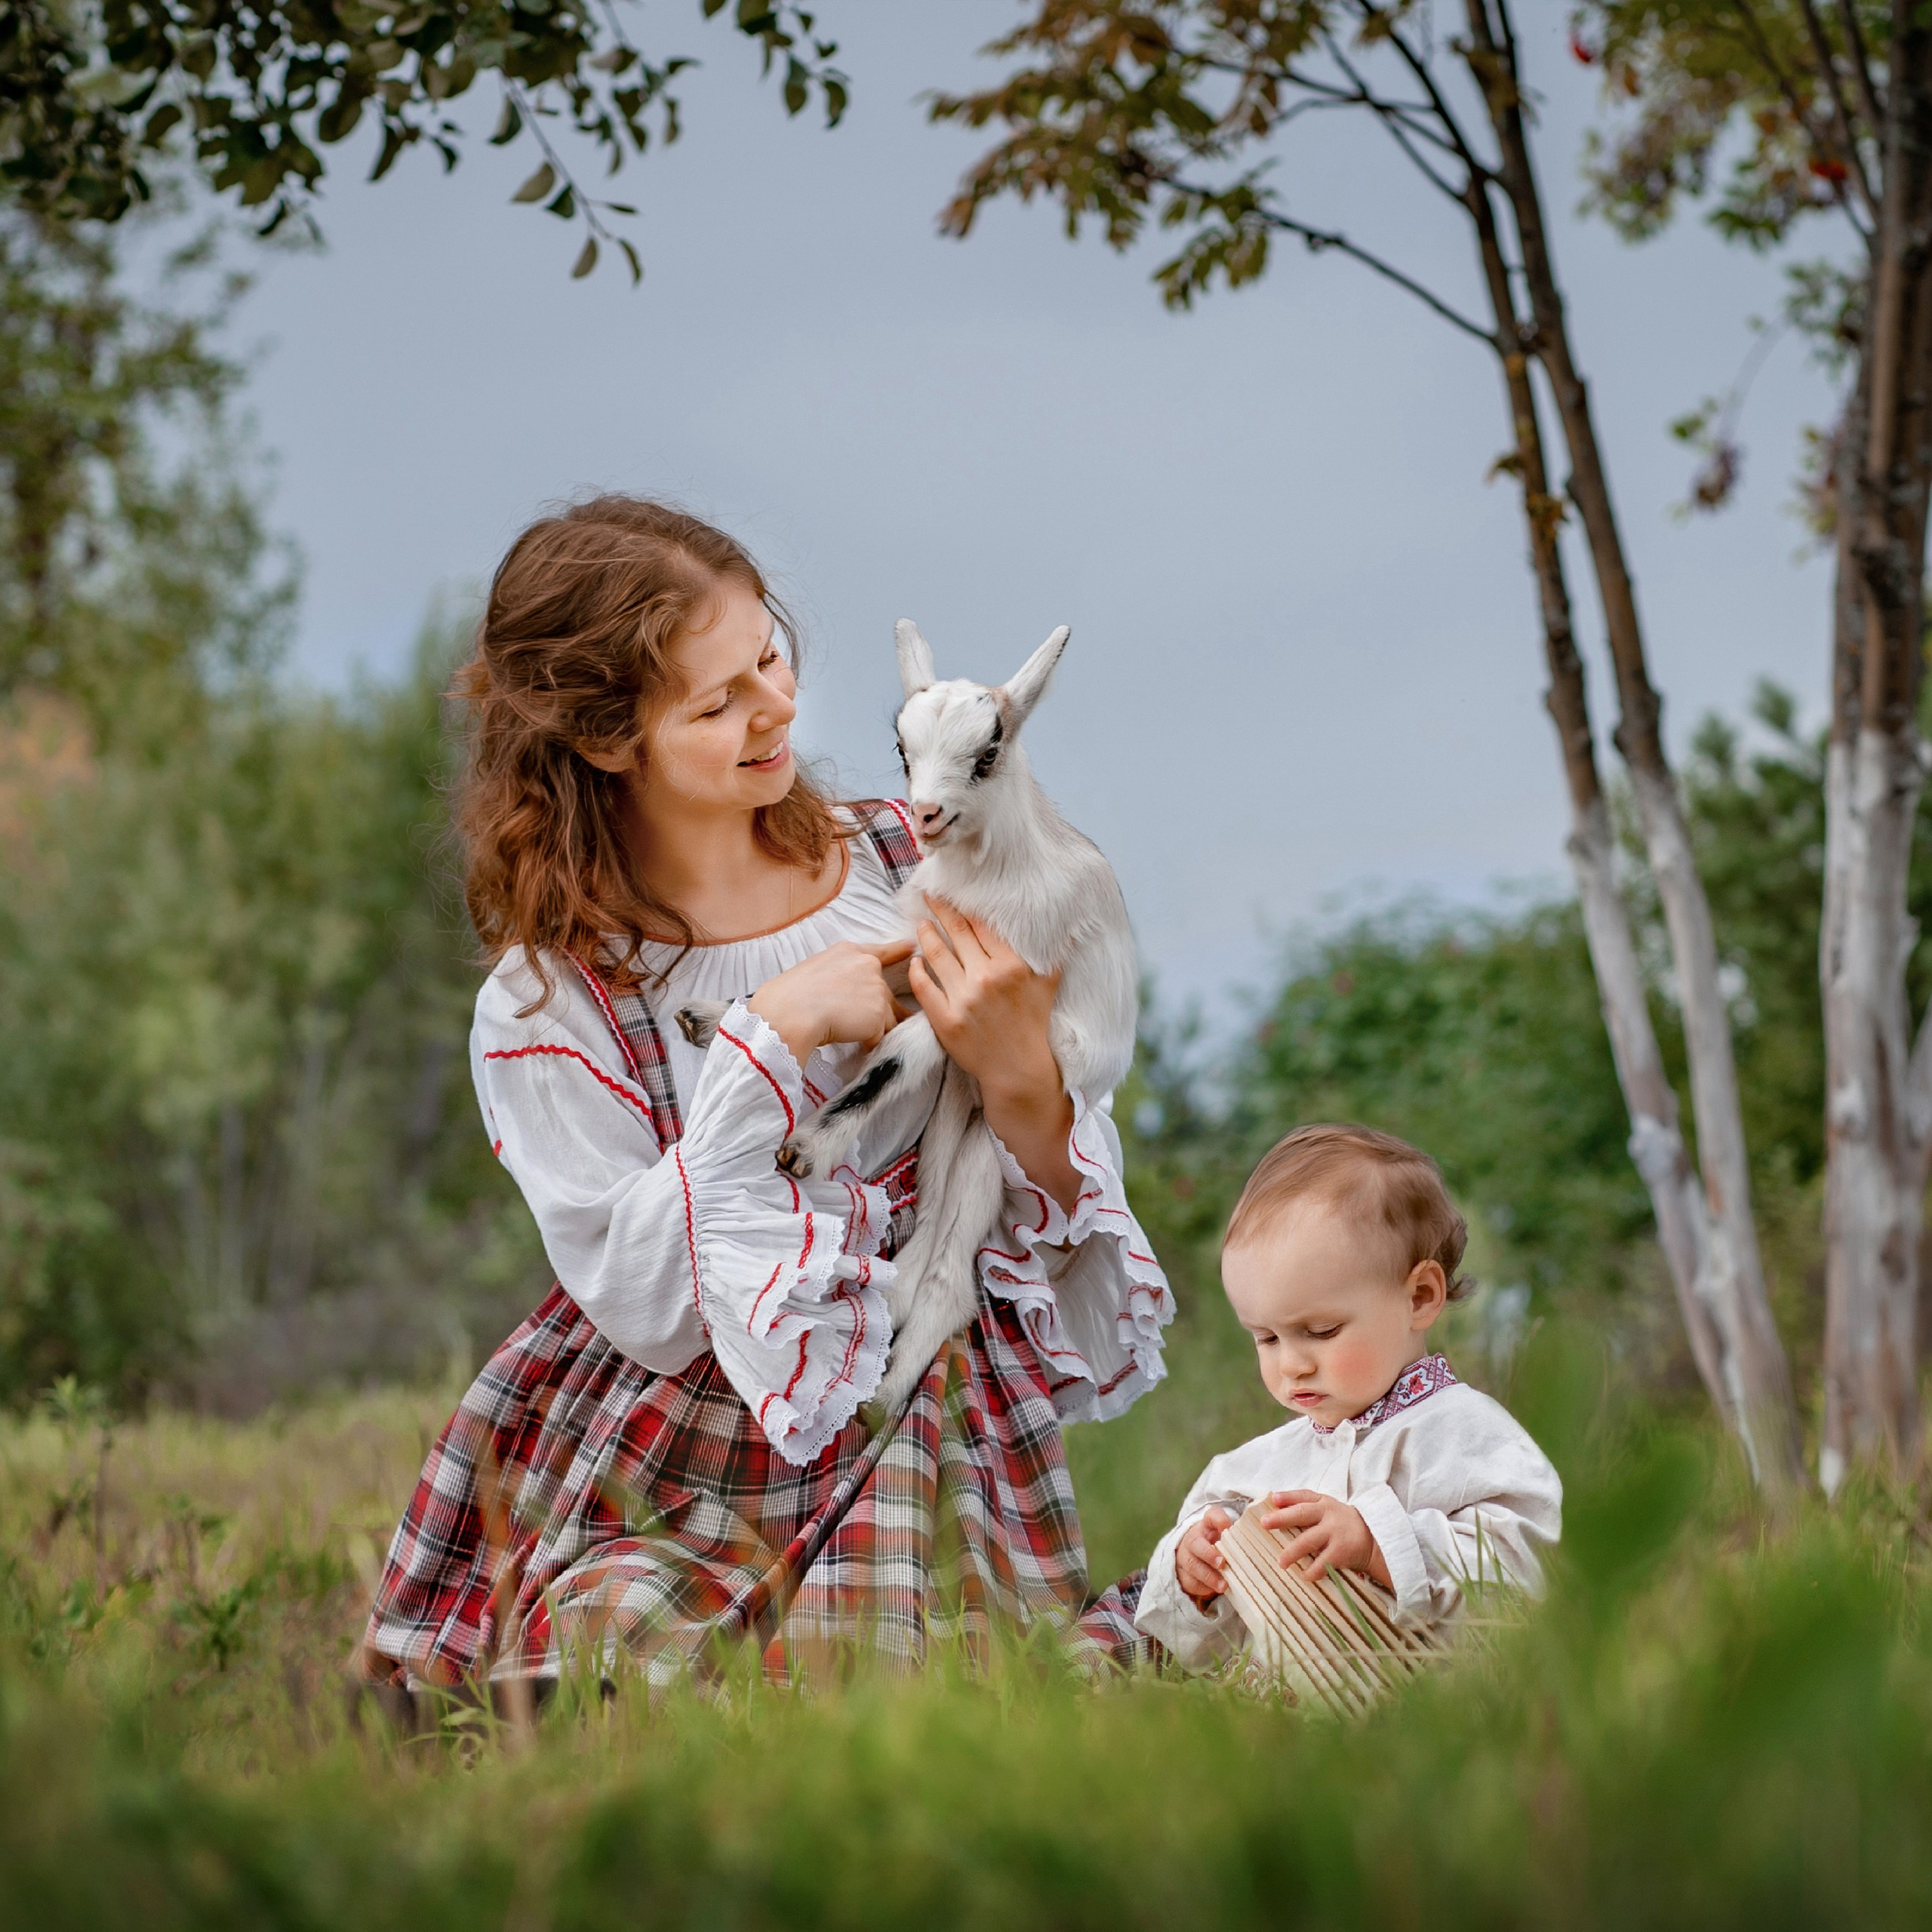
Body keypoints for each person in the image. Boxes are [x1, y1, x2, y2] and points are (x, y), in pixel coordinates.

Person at [361, 496, 1173, 1693]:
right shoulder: (557, 1003)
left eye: (769, 659)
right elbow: (644, 1300)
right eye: (716, 702)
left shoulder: (920, 862)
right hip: (677, 1446)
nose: (776, 708)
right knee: (626, 1664)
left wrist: (1022, 1080)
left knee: (908, 1696)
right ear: (603, 741)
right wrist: (767, 1041)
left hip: (915, 1406)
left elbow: (1049, 1219)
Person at [1134, 1124, 1560, 1672]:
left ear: (1420, 1297)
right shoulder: (1255, 1468)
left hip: (1431, 1712)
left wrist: (1377, 1544)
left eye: (1322, 1330)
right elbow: (1201, 1646)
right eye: (1266, 1338)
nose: (1292, 1363)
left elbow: (1529, 1566)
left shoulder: (1463, 1432)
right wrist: (1192, 1575)